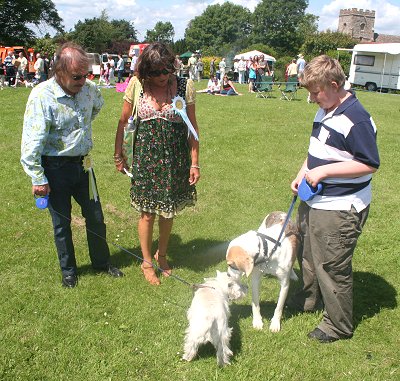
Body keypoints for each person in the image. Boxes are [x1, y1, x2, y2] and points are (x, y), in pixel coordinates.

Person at [288, 55, 380, 343]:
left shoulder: (355, 118)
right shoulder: (326, 108)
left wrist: (324, 172)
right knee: (308, 256)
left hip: (340, 207)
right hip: (316, 200)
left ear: (333, 84)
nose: (312, 98)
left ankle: (337, 325)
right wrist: (303, 172)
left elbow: (369, 163)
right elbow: (318, 149)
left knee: (331, 264)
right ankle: (308, 301)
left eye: (315, 92)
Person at [20, 42, 124, 288]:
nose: (83, 80)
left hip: (84, 166)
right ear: (59, 71)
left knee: (96, 217)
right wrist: (38, 178)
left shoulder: (89, 90)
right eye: (77, 76)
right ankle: (69, 271)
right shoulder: (41, 96)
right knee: (61, 223)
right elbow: (31, 142)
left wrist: (79, 131)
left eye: (86, 74)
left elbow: (96, 107)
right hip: (54, 170)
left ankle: (101, 262)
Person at [114, 42, 200, 286]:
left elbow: (193, 128)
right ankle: (146, 261)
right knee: (147, 213)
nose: (163, 76)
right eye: (156, 72)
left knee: (168, 211)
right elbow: (123, 122)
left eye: (166, 70)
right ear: (145, 72)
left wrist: (195, 163)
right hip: (145, 159)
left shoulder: (184, 85)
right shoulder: (136, 85)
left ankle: (162, 256)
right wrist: (118, 155)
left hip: (175, 159)